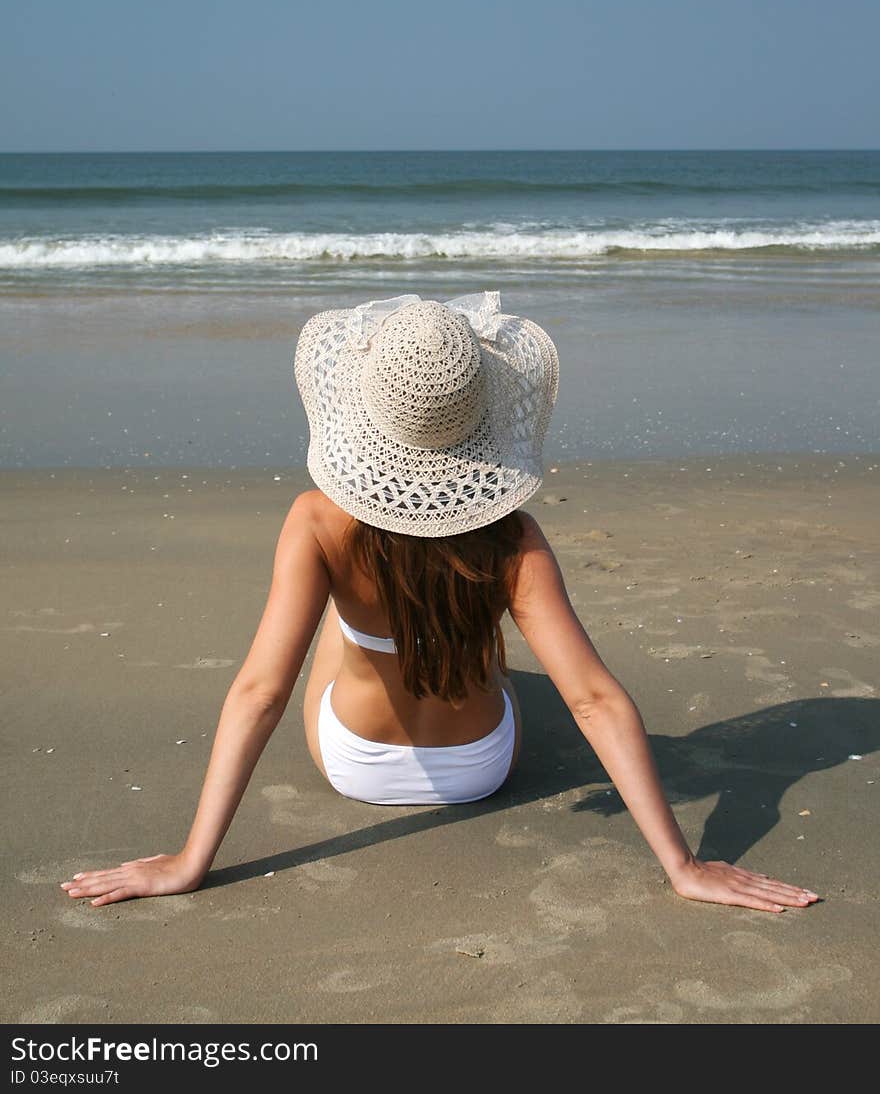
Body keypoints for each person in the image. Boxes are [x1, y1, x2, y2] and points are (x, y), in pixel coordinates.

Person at [61, 291, 819, 913]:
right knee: (473, 620)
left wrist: (194, 858)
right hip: (482, 766)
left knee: (339, 614)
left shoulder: (317, 521)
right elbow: (592, 699)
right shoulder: (512, 534)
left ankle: (386, 631)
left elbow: (261, 692)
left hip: (355, 762)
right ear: (481, 412)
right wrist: (681, 864)